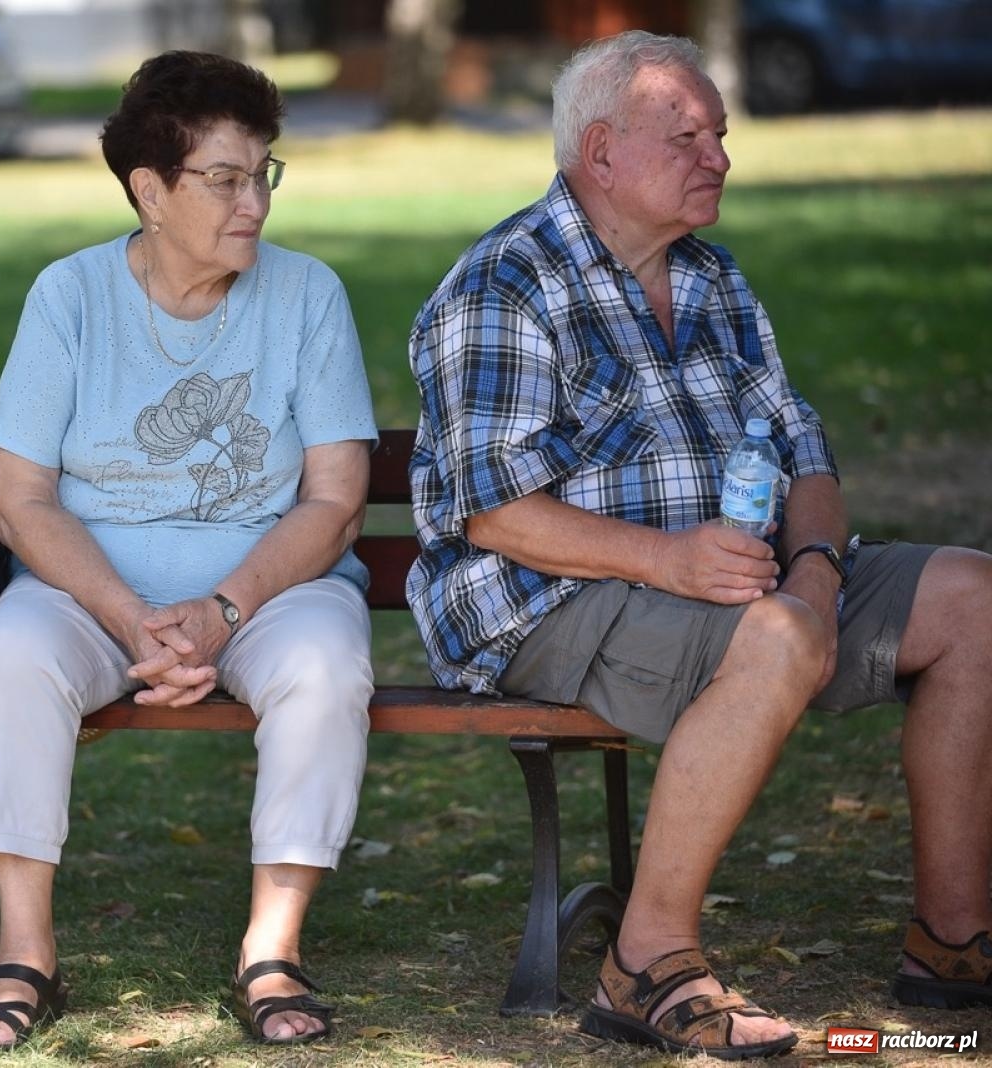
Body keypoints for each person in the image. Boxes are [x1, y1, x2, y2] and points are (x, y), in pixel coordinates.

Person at [407, 29, 992, 1060]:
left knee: (971, 598)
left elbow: (804, 451)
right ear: (599, 152)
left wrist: (813, 571)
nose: (717, 156)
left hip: (747, 580)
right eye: (685, 136)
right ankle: (646, 963)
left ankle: (953, 942)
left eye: (718, 134)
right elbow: (495, 513)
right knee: (771, 640)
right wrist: (675, 565)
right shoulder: (504, 284)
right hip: (546, 601)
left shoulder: (714, 282)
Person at [0, 51, 377, 1050]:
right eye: (225, 179)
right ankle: (25, 956)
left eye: (263, 173)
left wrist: (223, 609)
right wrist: (128, 614)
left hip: (272, 589)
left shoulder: (307, 296)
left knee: (324, 663)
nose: (255, 204)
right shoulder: (69, 298)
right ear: (149, 190)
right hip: (95, 593)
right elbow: (21, 498)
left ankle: (270, 953)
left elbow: (335, 499)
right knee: (11, 657)